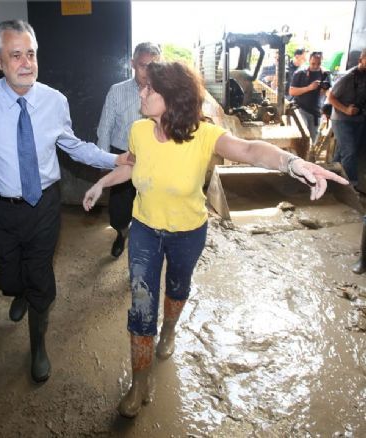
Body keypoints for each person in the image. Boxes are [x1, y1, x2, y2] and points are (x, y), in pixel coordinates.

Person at [82, 61, 349, 418]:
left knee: (177, 288)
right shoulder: (139, 130)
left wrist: (292, 163)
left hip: (188, 232)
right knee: (141, 306)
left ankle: (171, 331)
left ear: (172, 97)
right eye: (142, 87)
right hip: (145, 229)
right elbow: (131, 165)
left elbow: (251, 150)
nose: (141, 93)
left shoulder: (204, 135)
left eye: (149, 89)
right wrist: (101, 183)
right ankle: (139, 382)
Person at [0, 19, 127, 383]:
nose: (26, 63)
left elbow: (73, 146)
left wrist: (114, 160)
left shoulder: (54, 101)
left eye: (31, 54)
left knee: (40, 278)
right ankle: (19, 292)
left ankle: (38, 346)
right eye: (16, 55)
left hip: (44, 205)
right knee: (7, 277)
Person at [97, 42, 162, 257]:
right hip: (124, 157)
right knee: (119, 210)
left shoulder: (165, 92)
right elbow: (104, 127)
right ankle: (121, 233)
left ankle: (146, 246)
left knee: (152, 206)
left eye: (153, 66)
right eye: (143, 66)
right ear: (133, 64)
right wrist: (105, 161)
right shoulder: (117, 91)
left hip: (154, 159)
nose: (148, 72)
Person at [327, 48, 366, 189]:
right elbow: (330, 97)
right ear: (361, 60)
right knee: (349, 152)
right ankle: (351, 187)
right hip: (342, 120)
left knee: (341, 153)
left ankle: (329, 179)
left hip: (358, 121)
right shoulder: (348, 77)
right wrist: (346, 110)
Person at [290, 51, 331, 144]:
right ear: (309, 61)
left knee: (313, 141)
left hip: (316, 113)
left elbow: (329, 90)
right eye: (313, 63)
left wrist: (324, 91)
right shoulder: (300, 73)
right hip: (301, 109)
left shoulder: (325, 74)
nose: (316, 66)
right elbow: (292, 91)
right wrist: (309, 88)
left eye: (319, 63)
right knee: (302, 138)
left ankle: (308, 158)